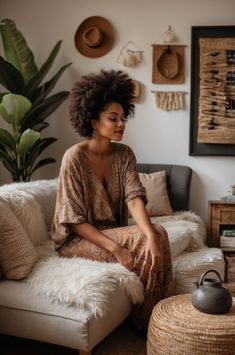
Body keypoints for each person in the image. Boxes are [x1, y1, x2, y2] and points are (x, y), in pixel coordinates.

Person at [50, 69, 172, 333]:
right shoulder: (74, 158)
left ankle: (154, 315)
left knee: (157, 234)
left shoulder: (125, 154)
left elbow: (134, 198)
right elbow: (75, 222)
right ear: (93, 121)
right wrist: (118, 250)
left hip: (111, 231)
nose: (121, 124)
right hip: (77, 241)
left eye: (123, 117)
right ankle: (150, 323)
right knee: (149, 236)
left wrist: (150, 234)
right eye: (113, 118)